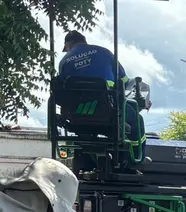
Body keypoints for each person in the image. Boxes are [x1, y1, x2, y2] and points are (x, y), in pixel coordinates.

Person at [58, 31, 146, 168]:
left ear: (68, 45)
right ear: (84, 41)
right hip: (107, 110)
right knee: (137, 121)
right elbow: (124, 81)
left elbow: (61, 91)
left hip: (77, 114)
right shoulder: (104, 53)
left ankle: (87, 159)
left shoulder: (64, 62)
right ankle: (135, 161)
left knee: (85, 130)